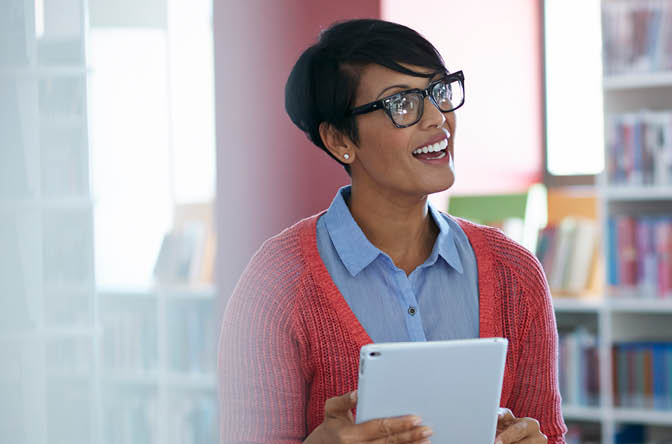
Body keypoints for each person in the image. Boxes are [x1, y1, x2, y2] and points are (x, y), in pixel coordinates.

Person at [218, 19, 566, 444]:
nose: (438, 118)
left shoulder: (516, 273)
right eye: (401, 103)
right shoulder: (276, 284)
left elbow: (546, 431)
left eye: (438, 92)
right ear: (340, 139)